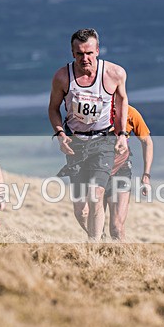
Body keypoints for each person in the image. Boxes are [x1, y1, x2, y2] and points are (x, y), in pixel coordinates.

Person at [49, 28, 129, 240]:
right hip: (75, 142)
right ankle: (99, 237)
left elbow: (122, 102)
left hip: (104, 141)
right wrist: (59, 134)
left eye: (89, 53)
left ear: (98, 51)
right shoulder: (62, 77)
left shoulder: (115, 74)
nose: (85, 58)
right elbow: (53, 108)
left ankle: (93, 248)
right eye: (79, 54)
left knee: (96, 195)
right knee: (81, 210)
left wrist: (122, 134)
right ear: (72, 53)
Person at [101, 105, 154, 240]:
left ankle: (121, 258)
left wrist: (146, 175)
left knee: (116, 228)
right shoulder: (96, 109)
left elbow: (147, 142)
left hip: (121, 171)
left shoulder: (130, 112)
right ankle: (98, 257)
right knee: (95, 228)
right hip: (96, 172)